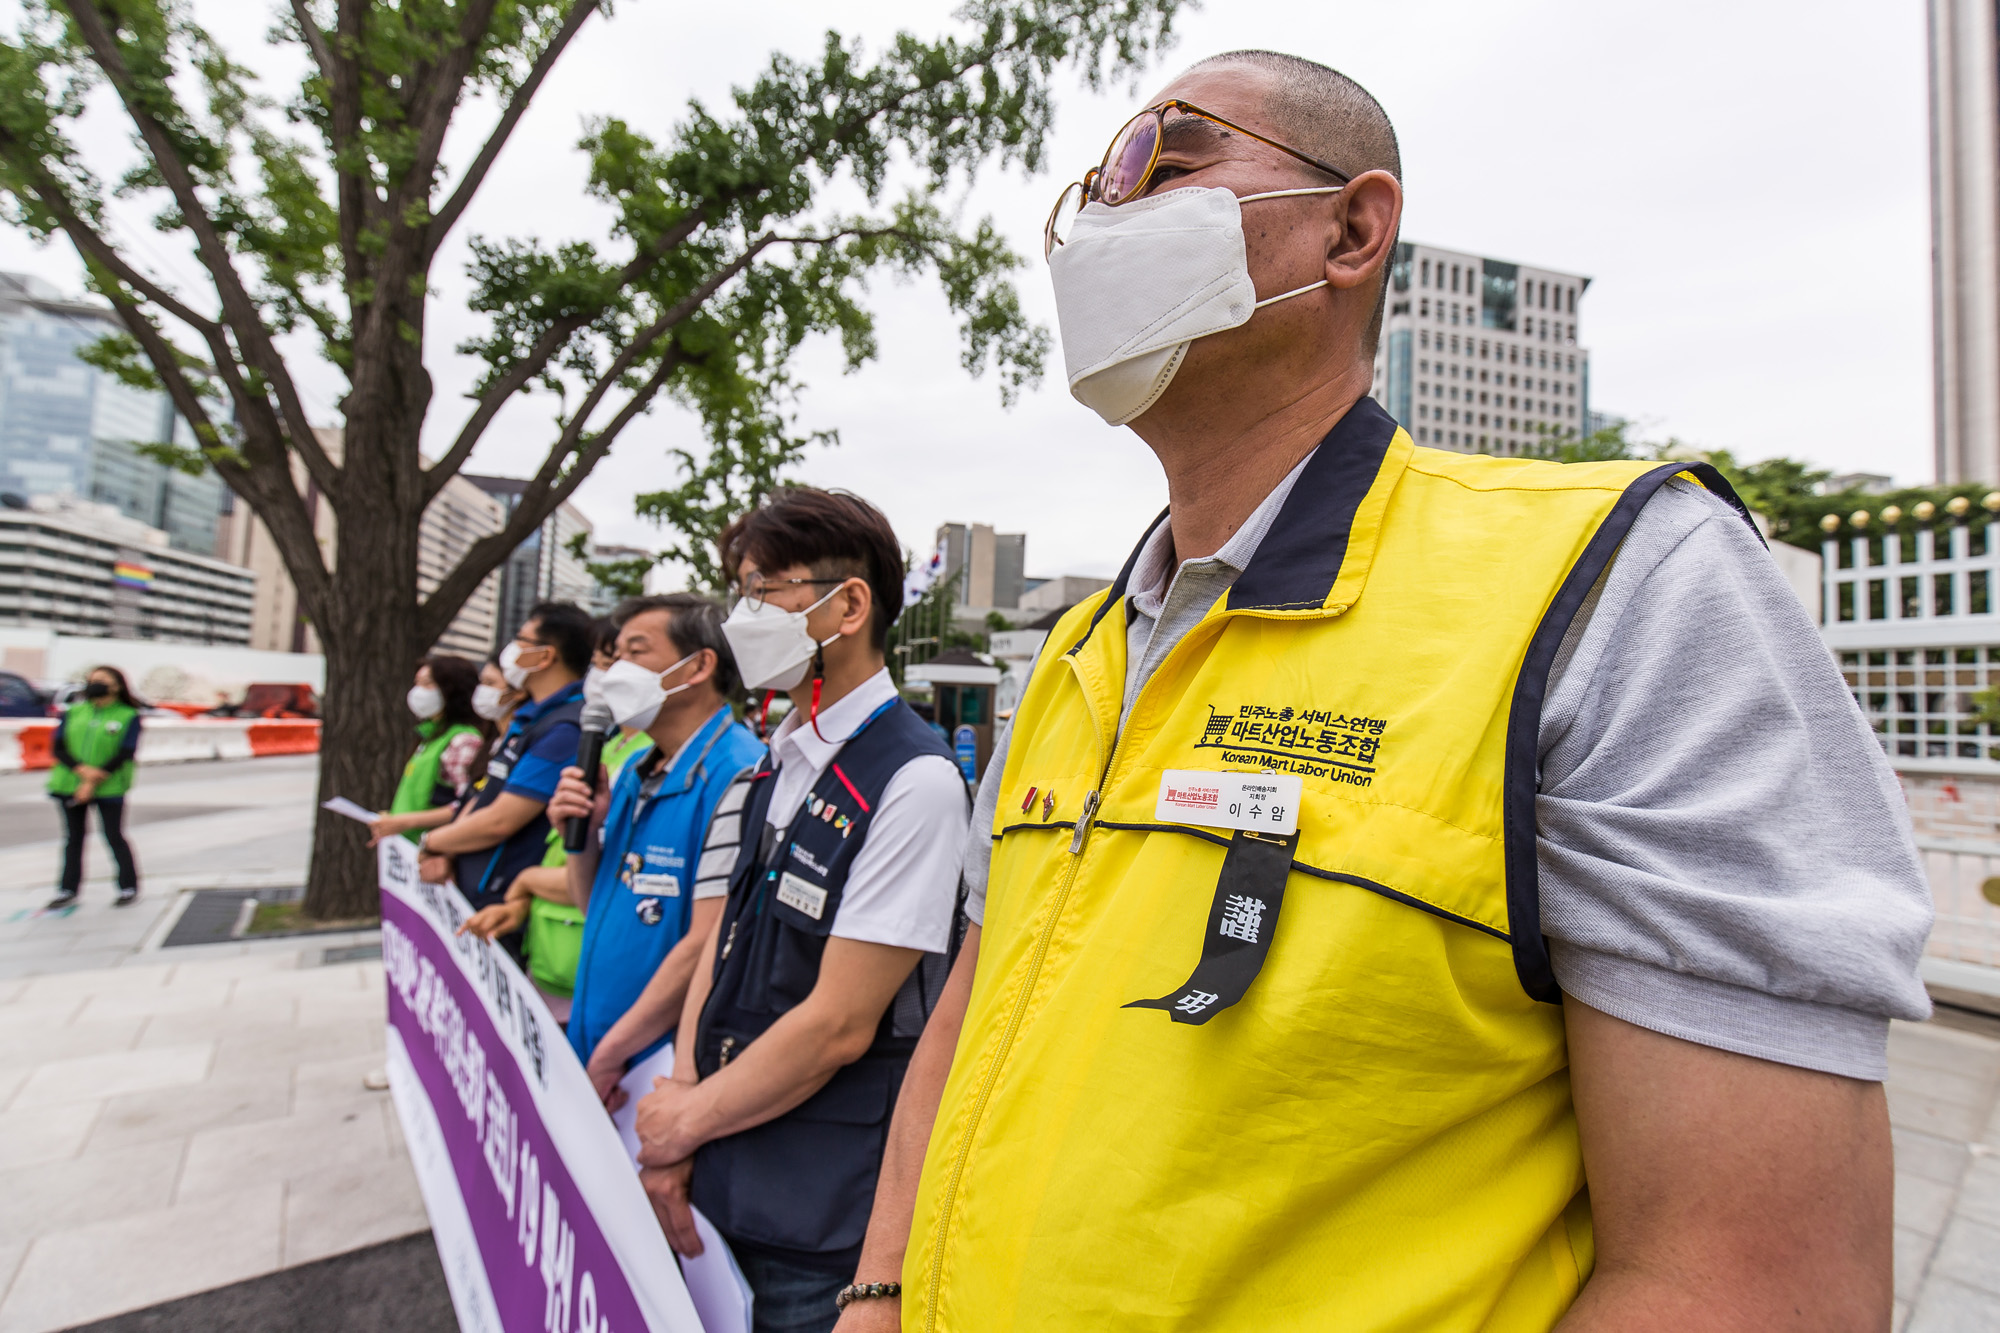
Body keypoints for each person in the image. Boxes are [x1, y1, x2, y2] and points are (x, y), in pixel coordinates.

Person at [833, 51, 1934, 1333]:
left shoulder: (1614, 583)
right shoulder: (1075, 654)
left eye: (1158, 167)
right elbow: (973, 1008)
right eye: (1089, 196)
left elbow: (1749, 1282)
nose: (1102, 225)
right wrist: (876, 1288)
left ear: (1351, 229)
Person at [629, 489, 968, 1333]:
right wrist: (680, 1102)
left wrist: (682, 1125)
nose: (743, 616)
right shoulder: (777, 763)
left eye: (764, 591)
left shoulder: (914, 779)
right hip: (726, 1168)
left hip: (820, 1217)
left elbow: (839, 1023)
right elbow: (719, 947)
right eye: (740, 592)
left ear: (847, 604)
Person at [543, 593, 764, 1106]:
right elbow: (592, 904)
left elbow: (708, 942)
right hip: (601, 1040)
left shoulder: (740, 773)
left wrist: (614, 1053)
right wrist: (583, 835)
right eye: (613, 656)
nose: (614, 671)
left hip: (654, 1068)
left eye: (635, 653)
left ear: (699, 665)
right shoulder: (633, 771)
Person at [420, 602, 593, 964]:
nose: (510, 651)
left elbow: (501, 819)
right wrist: (448, 847)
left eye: (520, 640)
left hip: (499, 902)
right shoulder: (531, 719)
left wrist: (432, 841)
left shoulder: (564, 729)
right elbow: (483, 795)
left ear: (545, 656)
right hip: (476, 890)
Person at [46, 665, 143, 909]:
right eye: (91, 680)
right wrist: (83, 772)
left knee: (113, 835)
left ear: (117, 685)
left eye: (101, 680)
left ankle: (127, 886)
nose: (94, 684)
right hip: (70, 784)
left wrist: (92, 780)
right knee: (73, 838)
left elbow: (125, 752)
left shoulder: (127, 715)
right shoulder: (73, 712)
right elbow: (59, 748)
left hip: (109, 786)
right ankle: (67, 889)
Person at [368, 655, 490, 845]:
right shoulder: (431, 736)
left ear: (452, 690)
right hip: (408, 850)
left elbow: (470, 804)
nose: (418, 692)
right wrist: (393, 820)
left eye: (427, 684)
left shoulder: (463, 741)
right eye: (417, 683)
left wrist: (406, 821)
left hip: (434, 850)